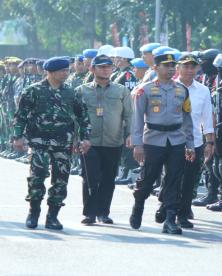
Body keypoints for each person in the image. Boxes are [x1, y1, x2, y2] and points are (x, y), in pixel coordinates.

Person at [13, 56, 91, 230]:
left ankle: (53, 216)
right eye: (62, 71)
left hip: (63, 143)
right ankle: (33, 213)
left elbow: (83, 117)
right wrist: (18, 137)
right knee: (37, 178)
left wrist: (85, 138)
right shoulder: (33, 91)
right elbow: (21, 116)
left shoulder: (71, 93)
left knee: (61, 180)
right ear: (51, 72)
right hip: (38, 141)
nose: (66, 73)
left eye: (66, 70)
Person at [129, 51, 195, 235]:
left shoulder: (182, 90)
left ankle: (170, 219)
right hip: (153, 139)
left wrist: (190, 144)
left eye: (173, 66)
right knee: (148, 178)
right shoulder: (145, 90)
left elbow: (187, 119)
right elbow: (137, 119)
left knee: (174, 178)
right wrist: (137, 144)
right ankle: (139, 205)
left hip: (176, 140)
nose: (170, 69)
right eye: (166, 66)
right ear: (155, 67)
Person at [75, 55, 132, 225]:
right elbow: (75, 117)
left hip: (113, 142)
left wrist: (130, 135)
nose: (105, 70)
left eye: (108, 67)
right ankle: (89, 213)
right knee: (90, 177)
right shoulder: (82, 90)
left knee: (108, 179)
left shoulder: (121, 91)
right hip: (88, 142)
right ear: (92, 69)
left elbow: (129, 115)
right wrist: (75, 141)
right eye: (101, 67)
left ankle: (103, 212)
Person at [175, 53, 215, 228]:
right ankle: (169, 209)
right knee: (172, 178)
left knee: (189, 180)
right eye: (186, 66)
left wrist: (210, 142)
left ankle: (183, 214)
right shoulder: (169, 87)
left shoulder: (203, 90)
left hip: (196, 142)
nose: (190, 70)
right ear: (178, 68)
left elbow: (207, 117)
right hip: (172, 142)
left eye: (193, 67)